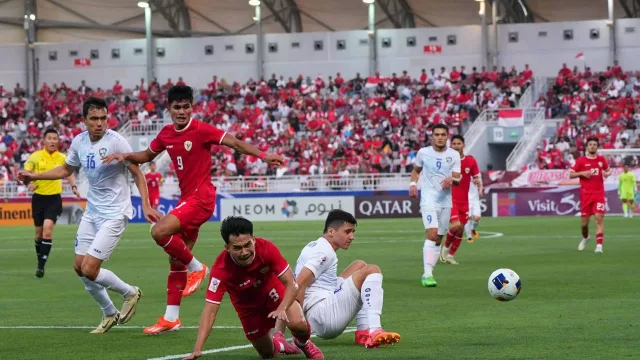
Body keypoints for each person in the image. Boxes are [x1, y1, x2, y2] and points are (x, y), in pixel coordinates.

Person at [102, 85, 284, 335]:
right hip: (187, 199)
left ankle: (198, 267)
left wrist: (262, 155)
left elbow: (234, 143)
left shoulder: (201, 129)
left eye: (186, 106)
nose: (182, 111)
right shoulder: (166, 134)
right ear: (169, 109)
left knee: (158, 232)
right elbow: (146, 155)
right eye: (177, 107)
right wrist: (125, 155)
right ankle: (171, 318)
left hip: (202, 198)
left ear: (191, 107)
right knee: (175, 259)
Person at [18, 97, 161, 333]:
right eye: (94, 119)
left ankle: (130, 292)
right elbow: (66, 169)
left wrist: (145, 204)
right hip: (93, 211)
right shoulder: (79, 141)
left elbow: (136, 172)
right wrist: (33, 177)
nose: (100, 123)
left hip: (115, 213)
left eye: (103, 118)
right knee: (78, 266)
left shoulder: (117, 142)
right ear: (84, 120)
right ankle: (109, 312)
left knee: (90, 269)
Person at [182, 216, 324, 360]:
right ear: (227, 248)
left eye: (247, 245)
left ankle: (303, 343)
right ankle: (280, 345)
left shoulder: (266, 248)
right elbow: (210, 311)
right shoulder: (221, 270)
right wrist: (197, 348)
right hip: (248, 308)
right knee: (266, 353)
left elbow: (292, 284)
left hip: (273, 292)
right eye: (237, 248)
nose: (244, 252)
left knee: (298, 323)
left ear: (254, 239)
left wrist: (282, 307)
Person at [294, 209, 400, 348]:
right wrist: (299, 328)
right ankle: (375, 330)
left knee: (359, 265)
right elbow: (299, 284)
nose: (351, 237)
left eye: (353, 232)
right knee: (372, 270)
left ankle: (363, 332)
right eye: (347, 231)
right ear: (331, 231)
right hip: (323, 316)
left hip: (319, 306)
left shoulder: (315, 244)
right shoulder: (324, 252)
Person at [23, 128, 81, 278]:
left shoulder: (62, 158)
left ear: (58, 141)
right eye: (49, 138)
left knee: (47, 230)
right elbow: (25, 173)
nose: (52, 141)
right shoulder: (35, 157)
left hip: (54, 199)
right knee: (38, 234)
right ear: (44, 140)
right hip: (38, 199)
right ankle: (39, 260)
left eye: (55, 138)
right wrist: (28, 183)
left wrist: (74, 186)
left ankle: (41, 267)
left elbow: (68, 173)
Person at [409, 124, 461, 287]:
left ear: (447, 137)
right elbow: (416, 170)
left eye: (443, 134)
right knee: (431, 234)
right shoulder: (423, 153)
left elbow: (458, 178)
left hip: (445, 202)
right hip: (428, 200)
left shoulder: (453, 155)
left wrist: (452, 180)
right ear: (432, 137)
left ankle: (430, 269)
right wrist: (412, 183)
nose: (439, 137)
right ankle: (427, 274)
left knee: (438, 238)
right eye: (437, 134)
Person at [440, 135, 482, 264]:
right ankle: (445, 249)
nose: (456, 145)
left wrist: (477, 182)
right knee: (456, 225)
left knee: (461, 229)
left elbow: (476, 176)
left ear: (463, 145)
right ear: (451, 145)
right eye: (454, 143)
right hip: (450, 199)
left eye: (459, 143)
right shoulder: (446, 161)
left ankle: (451, 256)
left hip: (465, 200)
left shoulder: (470, 161)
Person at [570, 137, 610, 253]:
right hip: (585, 196)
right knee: (584, 225)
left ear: (597, 147)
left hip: (599, 195)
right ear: (587, 147)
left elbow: (608, 171)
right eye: (590, 144)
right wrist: (582, 173)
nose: (592, 146)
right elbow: (571, 175)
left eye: (594, 144)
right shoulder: (581, 161)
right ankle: (586, 237)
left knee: (598, 219)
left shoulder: (602, 159)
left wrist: (607, 173)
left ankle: (599, 247)